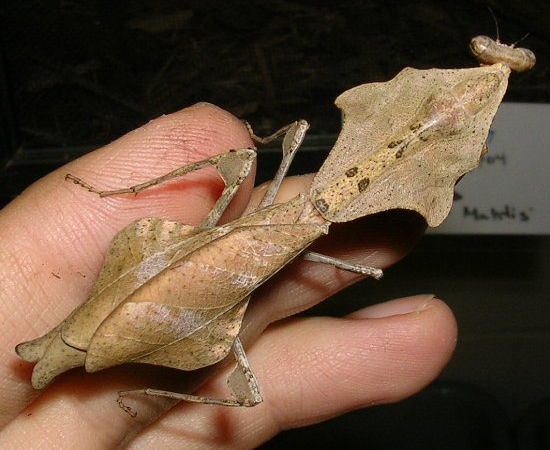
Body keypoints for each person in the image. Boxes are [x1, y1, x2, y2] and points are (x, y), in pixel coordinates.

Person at [0, 103, 457, 447]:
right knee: (248, 393)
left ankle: (110, 362)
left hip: (190, 279)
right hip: (179, 277)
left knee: (248, 392)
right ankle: (110, 363)